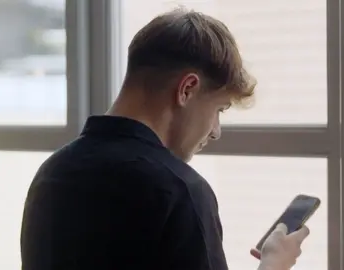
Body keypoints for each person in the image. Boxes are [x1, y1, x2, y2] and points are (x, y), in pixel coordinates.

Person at [20, 8, 310, 270]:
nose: (215, 131)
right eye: (218, 110)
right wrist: (273, 265)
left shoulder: (52, 174)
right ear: (187, 89)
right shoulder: (178, 190)